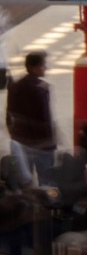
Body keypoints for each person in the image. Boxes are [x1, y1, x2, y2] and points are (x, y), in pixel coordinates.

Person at [5, 51, 56, 185]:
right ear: (34, 68)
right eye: (43, 65)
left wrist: (14, 136)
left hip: (21, 141)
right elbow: (45, 118)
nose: (46, 68)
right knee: (46, 181)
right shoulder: (41, 89)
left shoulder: (15, 86)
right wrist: (51, 142)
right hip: (42, 144)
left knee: (24, 181)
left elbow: (9, 114)